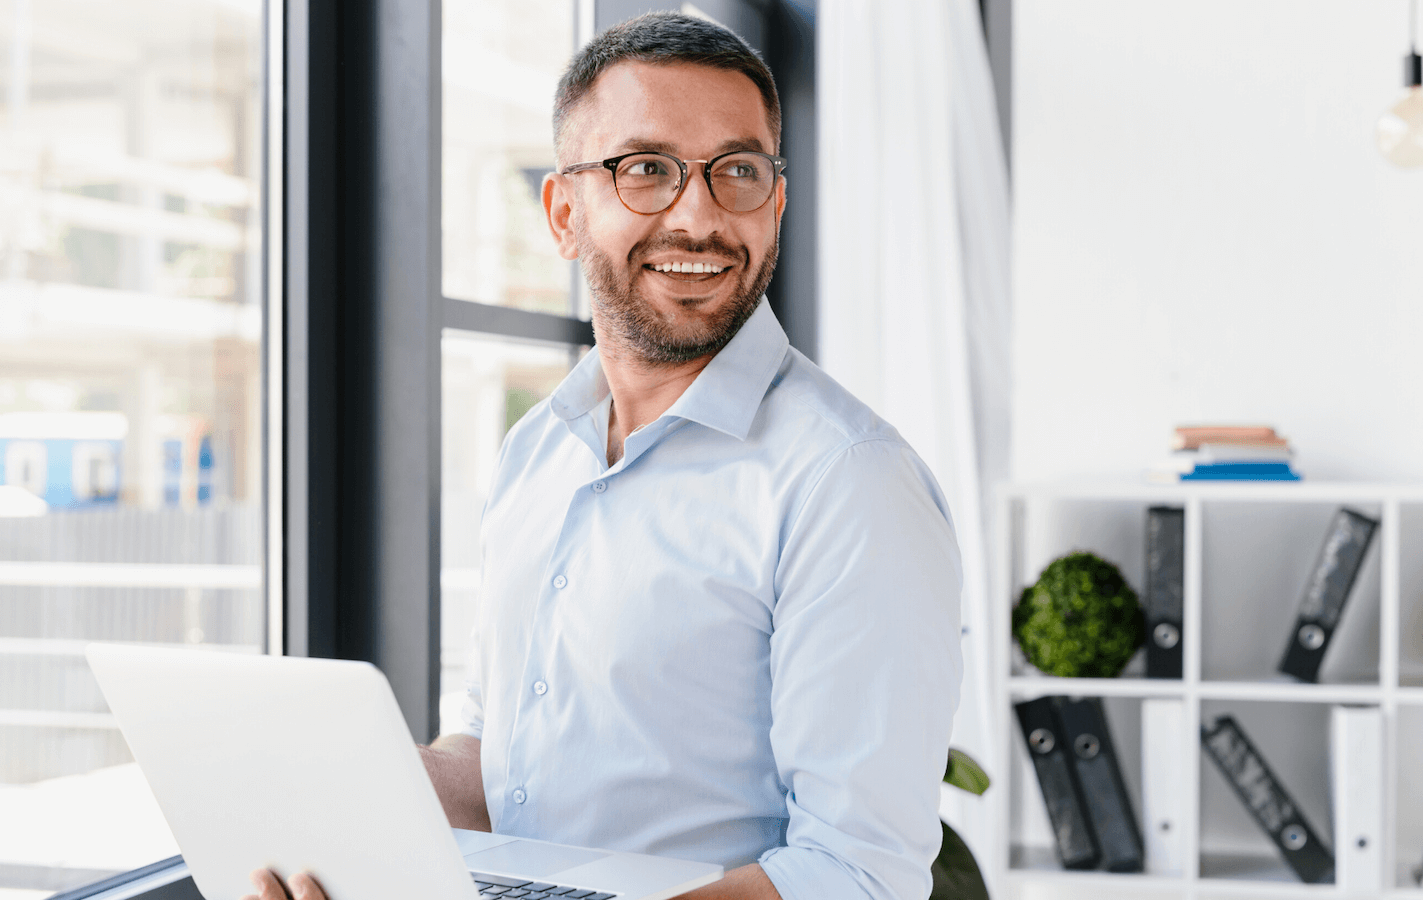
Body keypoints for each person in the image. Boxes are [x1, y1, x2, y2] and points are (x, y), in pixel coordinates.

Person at [247, 12, 962, 900]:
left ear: (775, 203)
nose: (700, 216)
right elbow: (497, 761)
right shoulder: (535, 451)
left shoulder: (847, 483)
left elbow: (855, 876)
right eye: (647, 171)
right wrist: (334, 816)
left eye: (737, 172)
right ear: (563, 212)